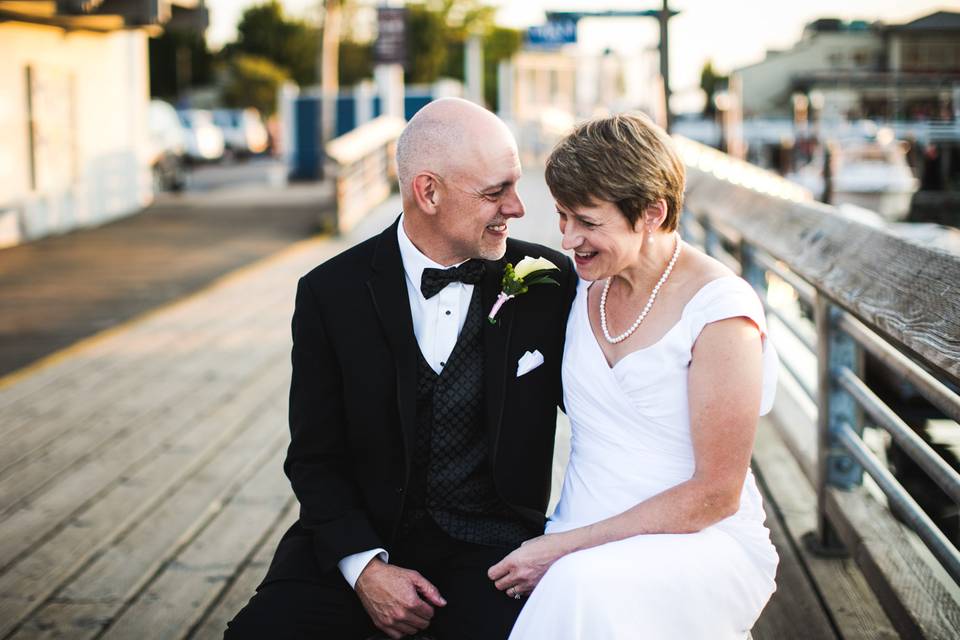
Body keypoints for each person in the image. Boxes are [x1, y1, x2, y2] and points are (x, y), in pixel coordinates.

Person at [225, 97, 578, 639]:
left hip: (494, 553)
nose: (517, 207)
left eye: (514, 185)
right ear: (428, 191)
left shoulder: (546, 282)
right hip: (358, 542)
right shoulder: (329, 293)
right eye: (495, 192)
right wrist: (364, 568)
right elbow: (315, 457)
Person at [489, 112, 780, 639]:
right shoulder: (575, 289)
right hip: (579, 525)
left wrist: (563, 548)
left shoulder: (721, 313)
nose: (569, 239)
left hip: (695, 538)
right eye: (561, 217)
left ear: (651, 213)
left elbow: (717, 495)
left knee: (581, 587)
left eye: (588, 222)